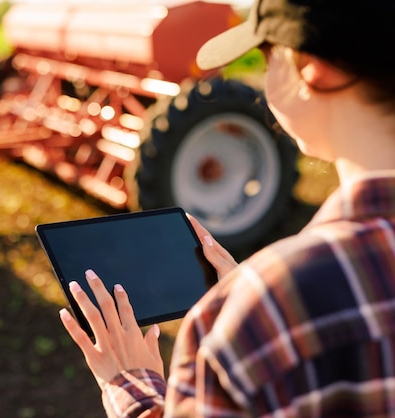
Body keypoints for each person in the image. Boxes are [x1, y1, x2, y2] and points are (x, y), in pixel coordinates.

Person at [58, 0, 395, 416]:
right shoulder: (268, 301)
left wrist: (130, 384)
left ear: (310, 67)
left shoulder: (262, 310)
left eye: (266, 57)